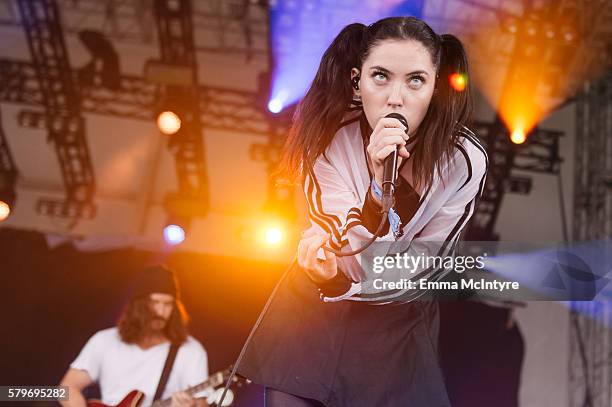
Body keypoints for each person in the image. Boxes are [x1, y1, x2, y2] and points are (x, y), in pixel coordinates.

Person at [236, 16, 488, 406]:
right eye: (381, 77)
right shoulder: (327, 140)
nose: (395, 97)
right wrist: (373, 193)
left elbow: (427, 266)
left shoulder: (463, 161)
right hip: (316, 309)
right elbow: (348, 255)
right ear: (357, 82)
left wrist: (359, 259)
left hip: (398, 321)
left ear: (436, 88)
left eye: (416, 80)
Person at [60, 265, 209, 407]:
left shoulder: (190, 350)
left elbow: (202, 403)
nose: (161, 312)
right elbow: (67, 388)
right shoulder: (104, 341)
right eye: (154, 302)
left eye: (168, 304)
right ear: (138, 305)